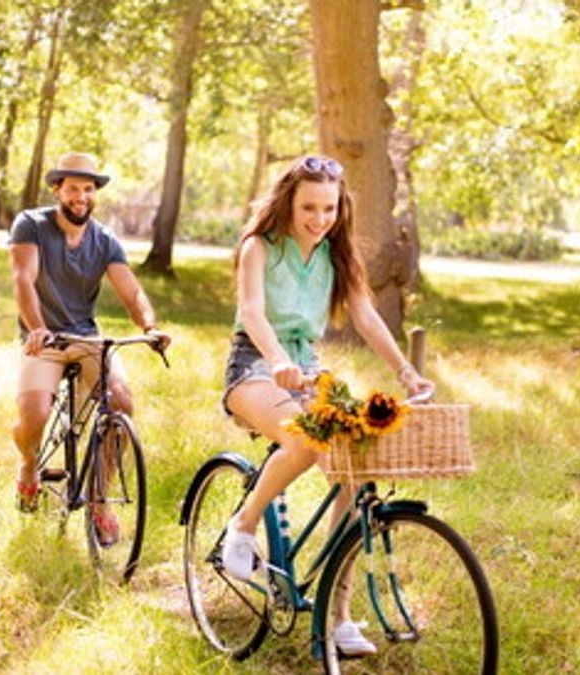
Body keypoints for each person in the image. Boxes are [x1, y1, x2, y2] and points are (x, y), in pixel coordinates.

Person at [219, 154, 435, 656]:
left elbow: (366, 317)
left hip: (308, 368)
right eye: (309, 208)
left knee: (355, 468)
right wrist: (276, 361)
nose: (319, 219)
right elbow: (252, 312)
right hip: (253, 366)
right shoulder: (259, 247)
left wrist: (406, 371)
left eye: (329, 209)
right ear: (288, 204)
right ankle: (244, 525)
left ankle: (336, 615)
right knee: (303, 437)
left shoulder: (337, 256)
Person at [9, 152, 170, 540]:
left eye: (88, 189)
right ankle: (29, 464)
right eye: (72, 189)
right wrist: (37, 327)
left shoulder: (105, 240)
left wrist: (150, 325)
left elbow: (132, 292)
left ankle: (100, 500)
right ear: (57, 189)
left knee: (121, 402)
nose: (80, 196)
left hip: (86, 336)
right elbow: (23, 279)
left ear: (95, 194)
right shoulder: (30, 224)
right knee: (35, 413)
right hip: (45, 337)